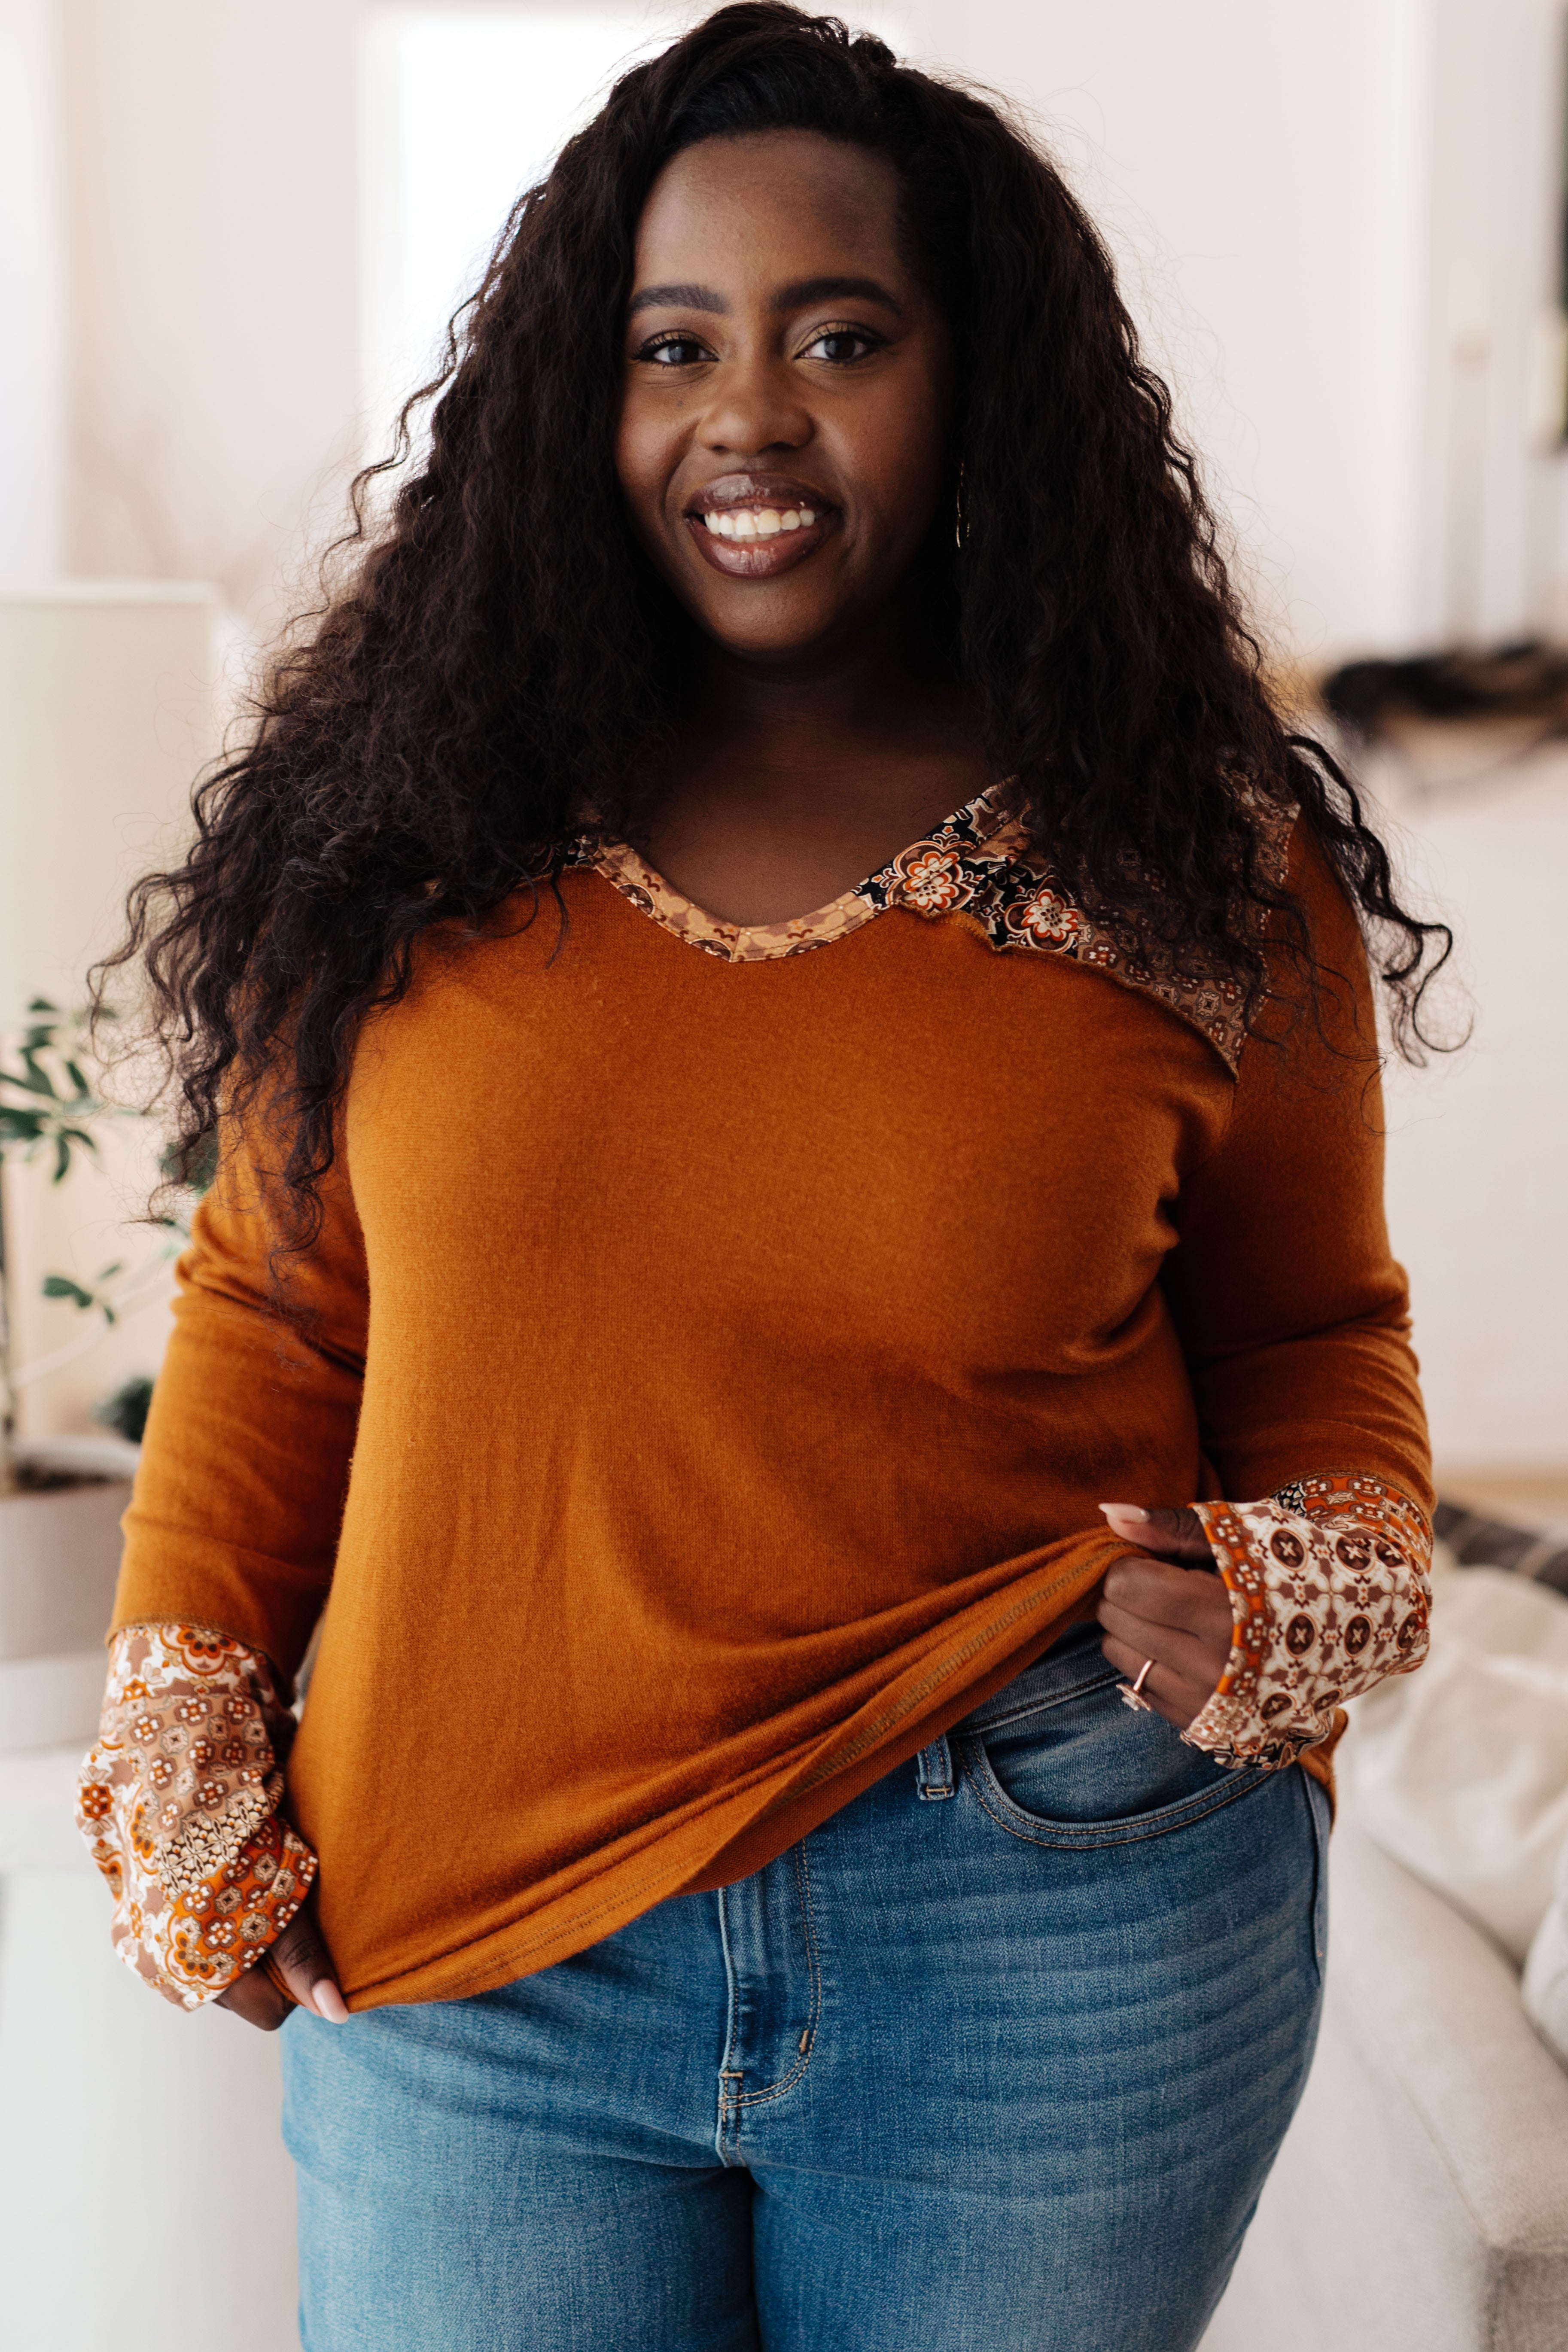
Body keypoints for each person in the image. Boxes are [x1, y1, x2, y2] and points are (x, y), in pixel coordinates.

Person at [77, 10, 1447, 2347]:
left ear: (972, 381)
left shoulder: (1195, 868)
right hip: (478, 1937)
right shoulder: (401, 838)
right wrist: (178, 1700)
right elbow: (282, 1299)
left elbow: (1310, 1331)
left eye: (841, 335)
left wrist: (1323, 1577)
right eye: (670, 344)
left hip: (1048, 1912)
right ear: (577, 402)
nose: (749, 412)